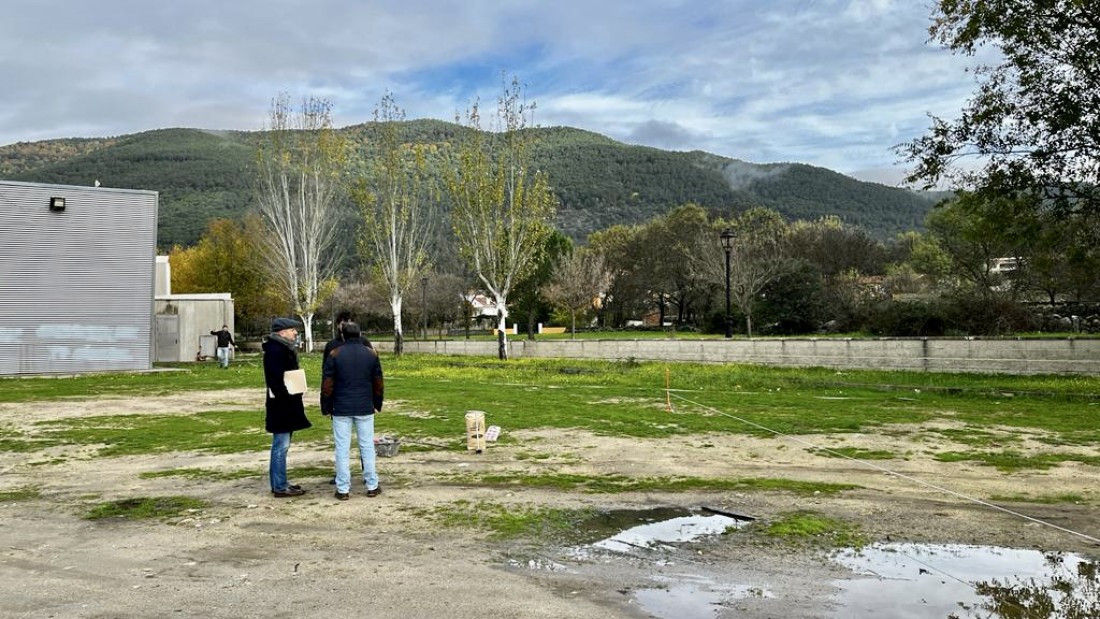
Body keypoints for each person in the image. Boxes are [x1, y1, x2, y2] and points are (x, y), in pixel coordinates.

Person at [321, 322, 384, 501]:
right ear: (360, 334)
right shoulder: (371, 354)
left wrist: (326, 406)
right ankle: (372, 485)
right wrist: (377, 403)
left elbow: (327, 384)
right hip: (364, 406)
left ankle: (343, 488)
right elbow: (378, 381)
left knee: (342, 448)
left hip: (341, 407)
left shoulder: (335, 354)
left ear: (342, 334)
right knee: (367, 446)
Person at [263, 317, 312, 498]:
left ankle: (281, 482)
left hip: (286, 403)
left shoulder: (283, 349)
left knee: (283, 445)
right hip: (282, 405)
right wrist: (288, 396)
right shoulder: (276, 351)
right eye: (292, 330)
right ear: (282, 332)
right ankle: (279, 486)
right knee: (280, 446)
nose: (295, 333)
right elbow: (275, 381)